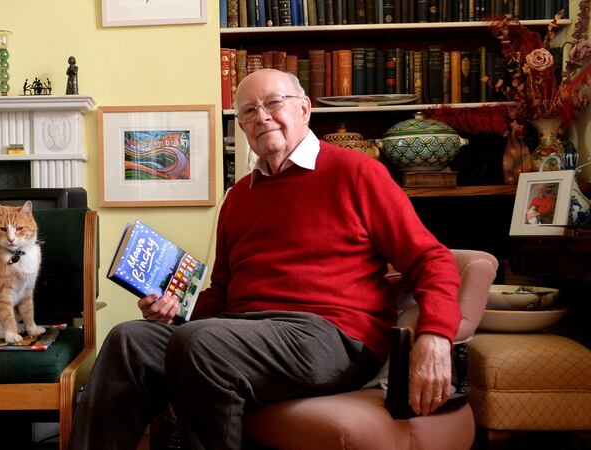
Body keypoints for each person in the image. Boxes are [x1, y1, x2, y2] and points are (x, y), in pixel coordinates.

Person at [67, 69, 460, 449]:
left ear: (305, 109)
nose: (263, 116)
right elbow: (221, 295)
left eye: (274, 102)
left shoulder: (357, 173)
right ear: (241, 125)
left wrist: (436, 335)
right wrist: (173, 310)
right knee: (128, 339)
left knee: (200, 341)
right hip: (242, 332)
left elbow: (431, 259)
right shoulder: (239, 197)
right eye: (249, 111)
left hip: (331, 337)